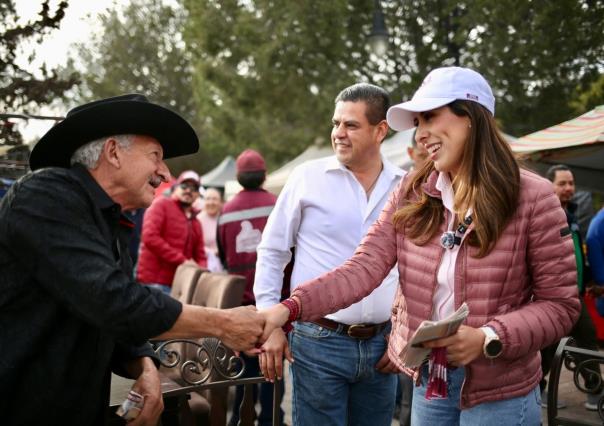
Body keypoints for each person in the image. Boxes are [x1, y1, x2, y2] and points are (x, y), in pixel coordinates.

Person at [260, 67, 581, 426]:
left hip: (499, 390)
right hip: (432, 379)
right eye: (417, 121)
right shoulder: (412, 191)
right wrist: (289, 308)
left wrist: (489, 337)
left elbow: (561, 305)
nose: (420, 134)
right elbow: (363, 268)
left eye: (429, 117)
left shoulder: (533, 197)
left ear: (471, 117)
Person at [0, 94, 264, 426]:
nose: (165, 173)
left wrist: (145, 366)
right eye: (156, 155)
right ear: (113, 152)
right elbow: (112, 299)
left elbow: (108, 318)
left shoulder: (109, 221)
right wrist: (224, 324)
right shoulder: (43, 196)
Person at [255, 83, 404, 426]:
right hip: (318, 342)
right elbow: (273, 251)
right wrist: (269, 324)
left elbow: (415, 267)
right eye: (336, 123)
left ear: (381, 130)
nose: (338, 133)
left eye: (351, 125)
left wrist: (404, 336)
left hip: (384, 344)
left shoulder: (404, 185)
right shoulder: (307, 178)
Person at [216, 148, 283, 426]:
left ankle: (239, 420)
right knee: (273, 366)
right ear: (264, 175)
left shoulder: (226, 211)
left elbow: (222, 257)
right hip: (276, 306)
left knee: (245, 368)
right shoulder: (277, 204)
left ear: (239, 178)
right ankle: (271, 419)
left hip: (242, 303)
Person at [137, 170, 207, 295]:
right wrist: (183, 261)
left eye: (194, 188)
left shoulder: (196, 222)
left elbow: (200, 255)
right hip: (154, 283)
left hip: (180, 286)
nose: (189, 190)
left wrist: (202, 271)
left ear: (197, 195)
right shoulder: (161, 204)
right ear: (175, 188)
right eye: (184, 186)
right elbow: (149, 237)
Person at [197, 186, 224, 272]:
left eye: (215, 199)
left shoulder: (225, 218)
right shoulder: (198, 220)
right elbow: (194, 246)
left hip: (224, 265)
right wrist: (212, 252)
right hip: (204, 266)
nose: (211, 202)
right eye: (208, 199)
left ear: (221, 202)